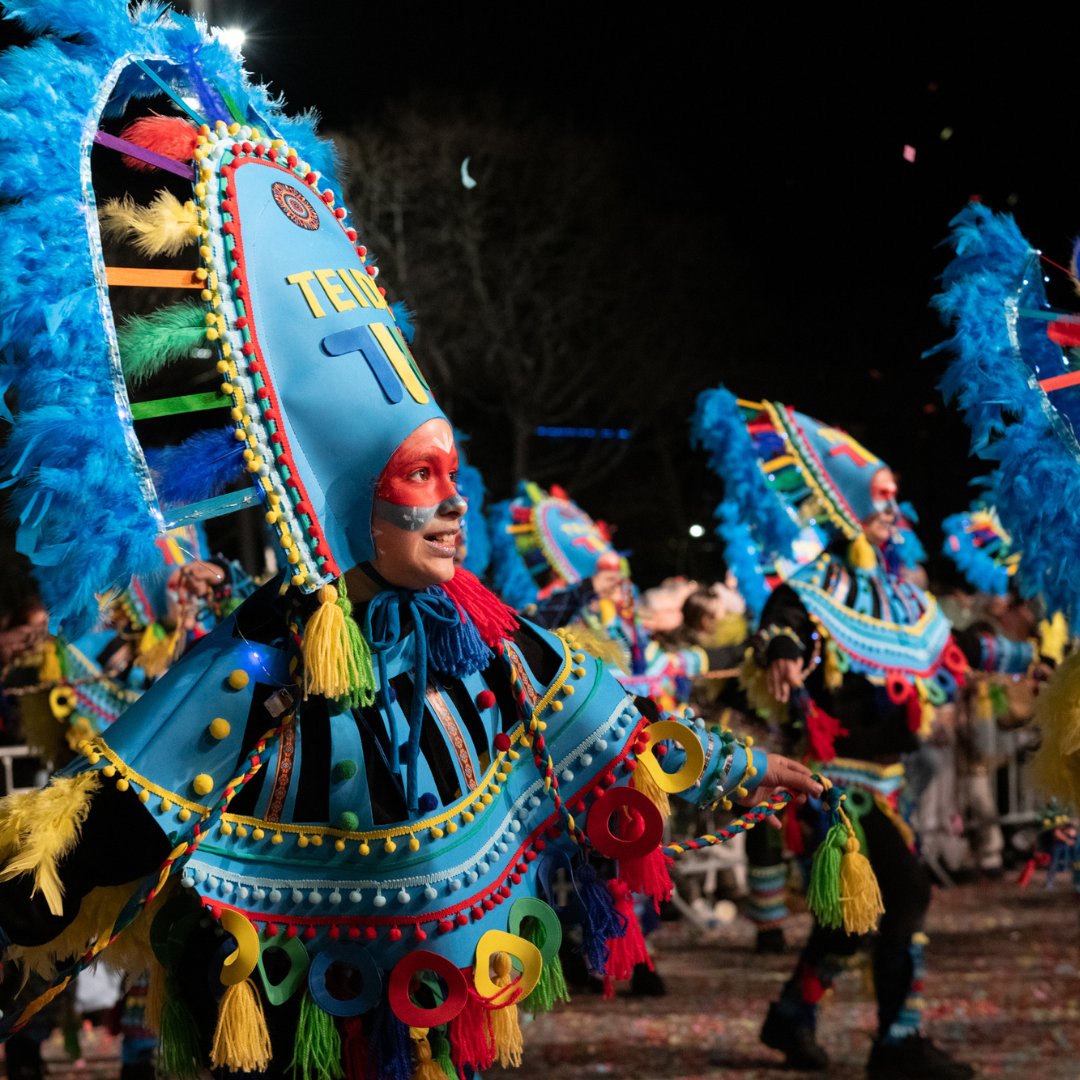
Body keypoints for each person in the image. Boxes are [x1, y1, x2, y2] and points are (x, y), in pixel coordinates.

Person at [0, 9, 824, 1077]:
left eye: (451, 478)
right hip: (294, 1003)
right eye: (419, 480)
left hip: (442, 997)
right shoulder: (275, 639)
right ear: (359, 507)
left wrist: (740, 768)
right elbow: (134, 803)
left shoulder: (476, 625)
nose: (451, 508)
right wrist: (32, 907)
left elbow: (607, 731)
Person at [692, 389, 1042, 1079]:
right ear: (847, 506)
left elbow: (952, 647)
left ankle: (793, 1015)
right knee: (906, 893)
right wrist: (782, 649)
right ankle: (898, 1042)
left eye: (893, 499)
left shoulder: (901, 594)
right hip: (835, 784)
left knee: (852, 919)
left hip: (889, 782)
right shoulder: (812, 587)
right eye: (878, 500)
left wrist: (1029, 659)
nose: (891, 511)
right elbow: (783, 623)